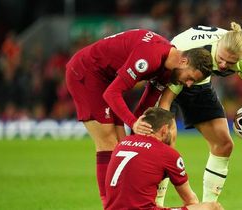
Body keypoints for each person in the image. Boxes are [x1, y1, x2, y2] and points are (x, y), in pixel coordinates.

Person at [65, 29, 213, 206]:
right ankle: (110, 205)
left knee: (123, 145)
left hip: (107, 79)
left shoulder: (168, 71)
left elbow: (147, 105)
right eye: (190, 78)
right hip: (87, 72)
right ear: (184, 61)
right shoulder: (151, 56)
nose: (188, 84)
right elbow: (112, 93)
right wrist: (133, 123)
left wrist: (137, 134)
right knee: (109, 144)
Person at [157, 22, 242, 203]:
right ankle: (156, 205)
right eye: (221, 59)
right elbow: (168, 95)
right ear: (218, 45)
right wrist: (162, 124)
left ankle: (208, 206)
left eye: (231, 63)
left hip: (199, 82)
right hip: (170, 75)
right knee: (164, 140)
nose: (224, 65)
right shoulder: (192, 50)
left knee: (224, 144)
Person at [104, 107, 223, 210]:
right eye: (173, 129)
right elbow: (190, 200)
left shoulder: (124, 142)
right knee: (212, 207)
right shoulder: (167, 153)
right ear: (165, 130)